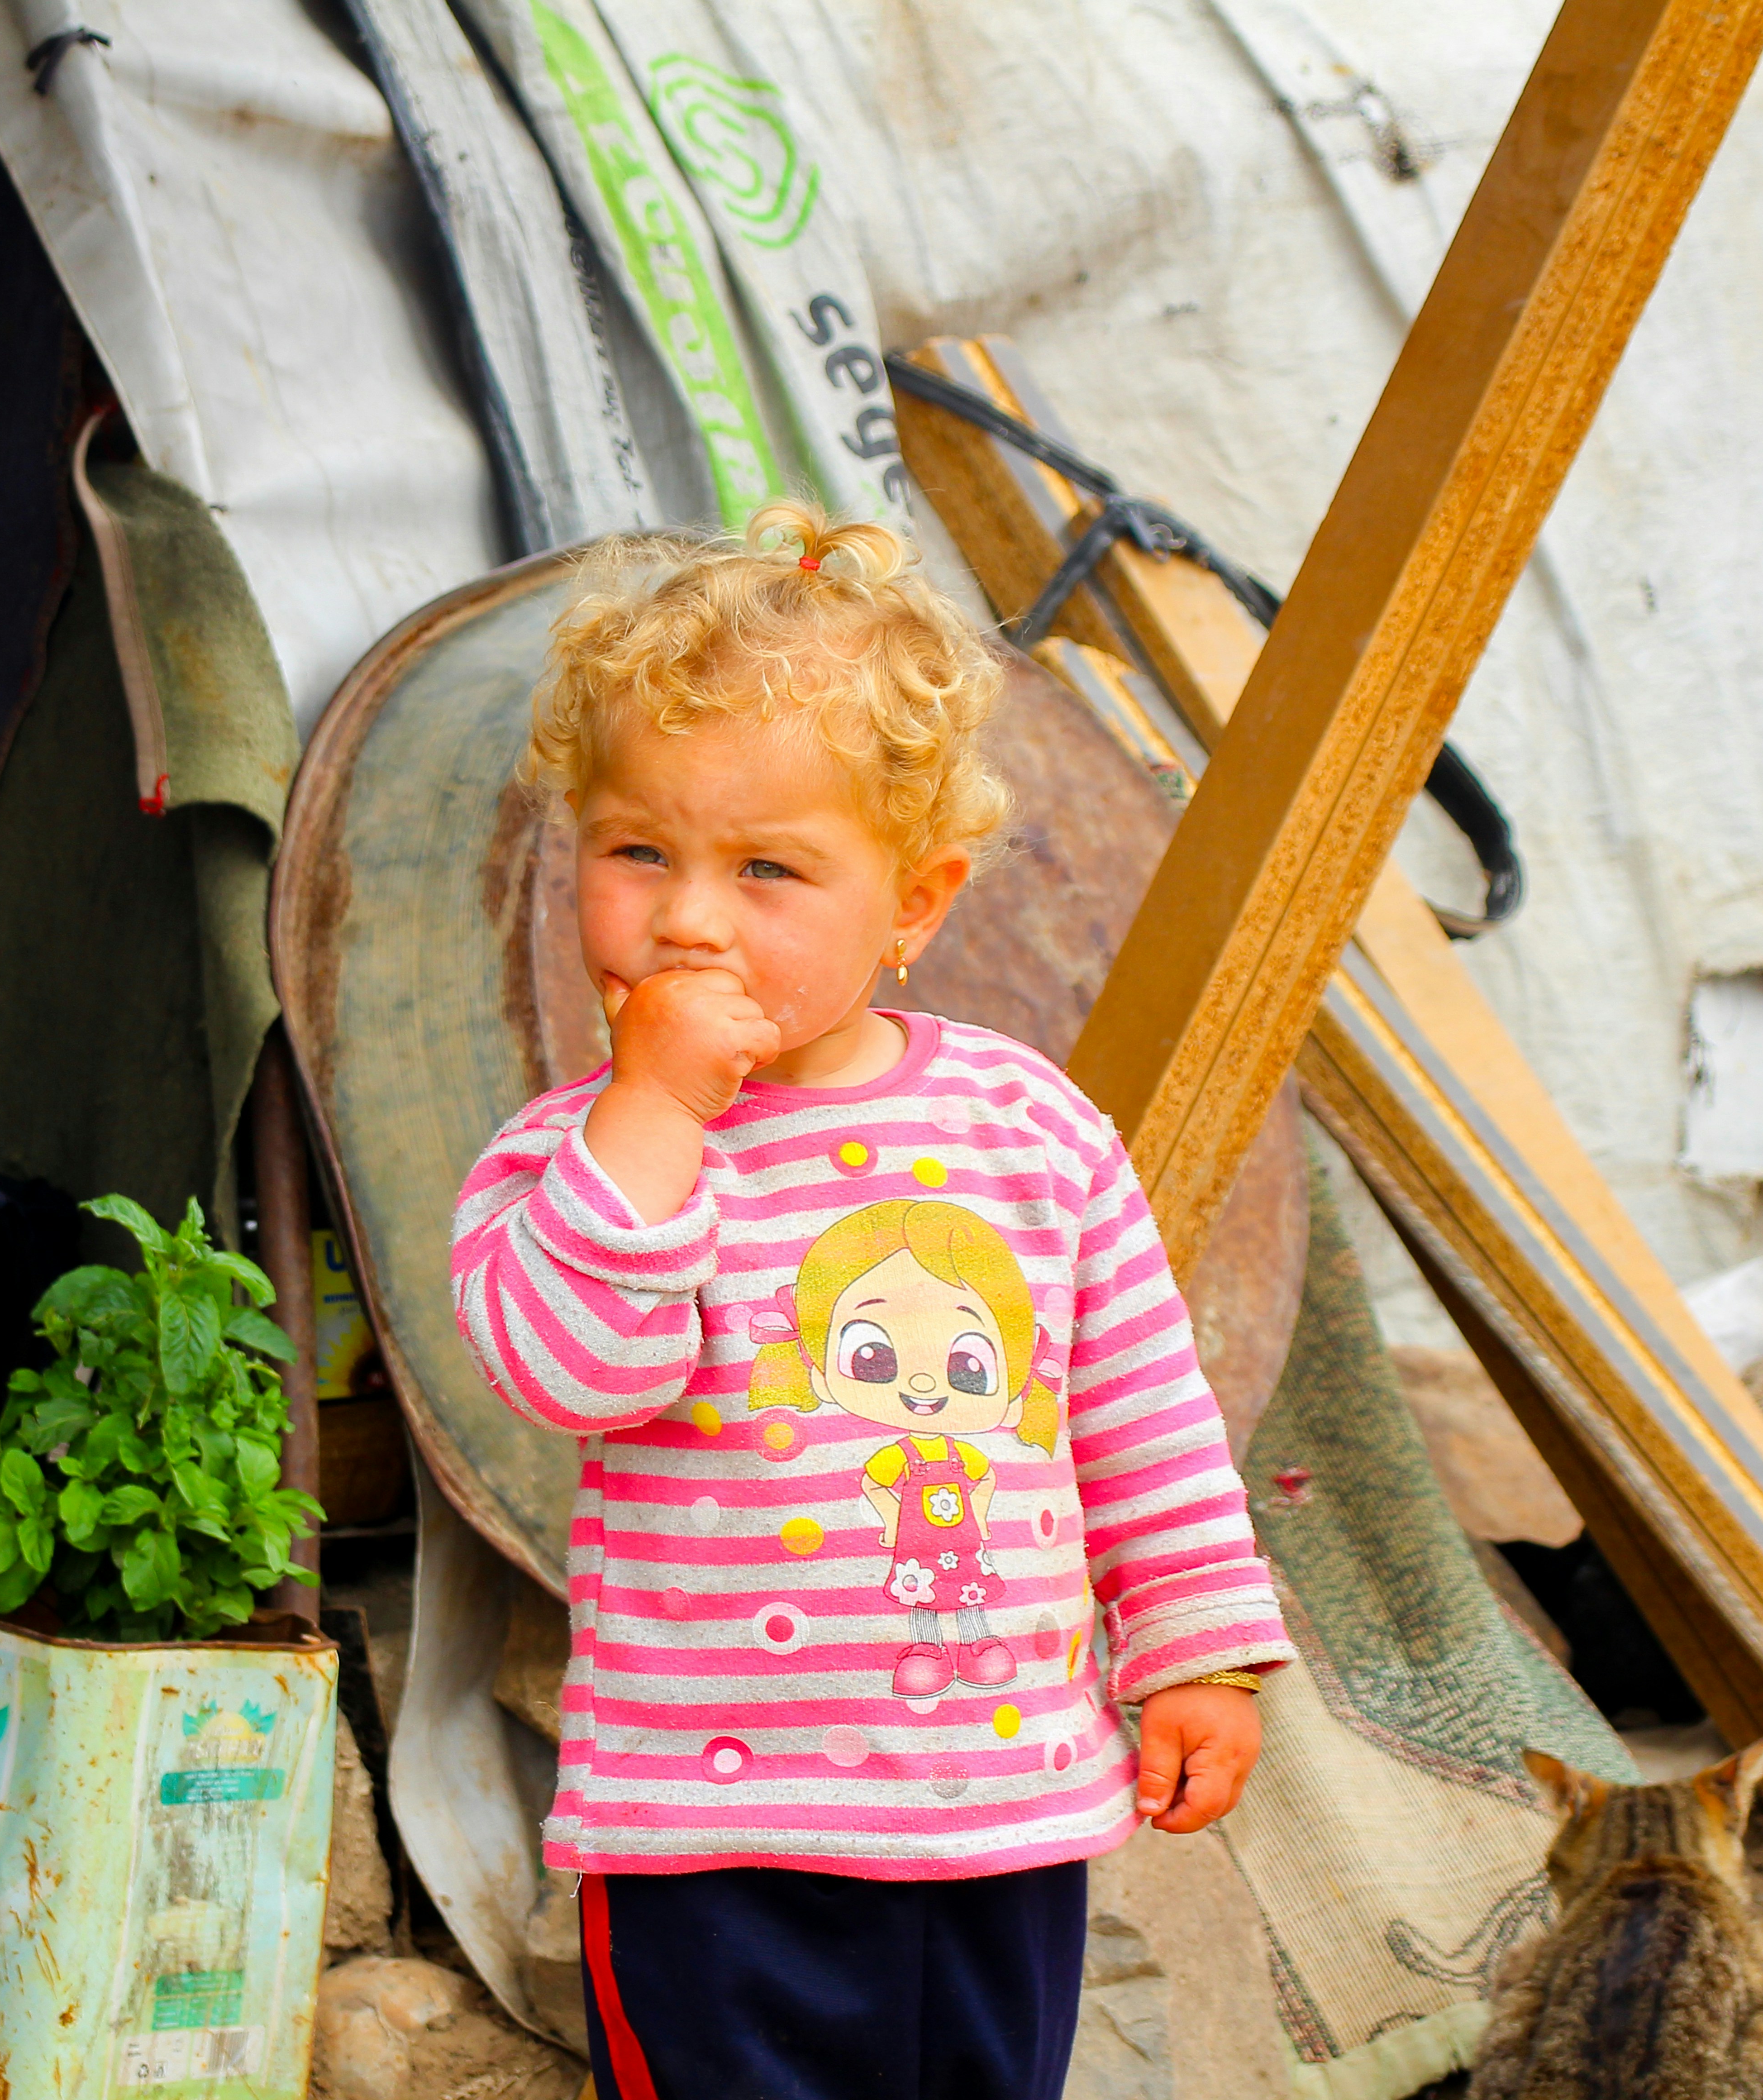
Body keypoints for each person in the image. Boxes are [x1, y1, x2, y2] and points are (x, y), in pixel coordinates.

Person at [449, 501, 1295, 2100]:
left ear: (913, 902)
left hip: (997, 1822)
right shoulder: (573, 1159)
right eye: (638, 851)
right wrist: (652, 1113)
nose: (689, 917)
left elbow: (1141, 1420)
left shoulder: (1031, 1133)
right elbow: (577, 1371)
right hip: (710, 1837)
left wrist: (1195, 1649)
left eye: (768, 869)